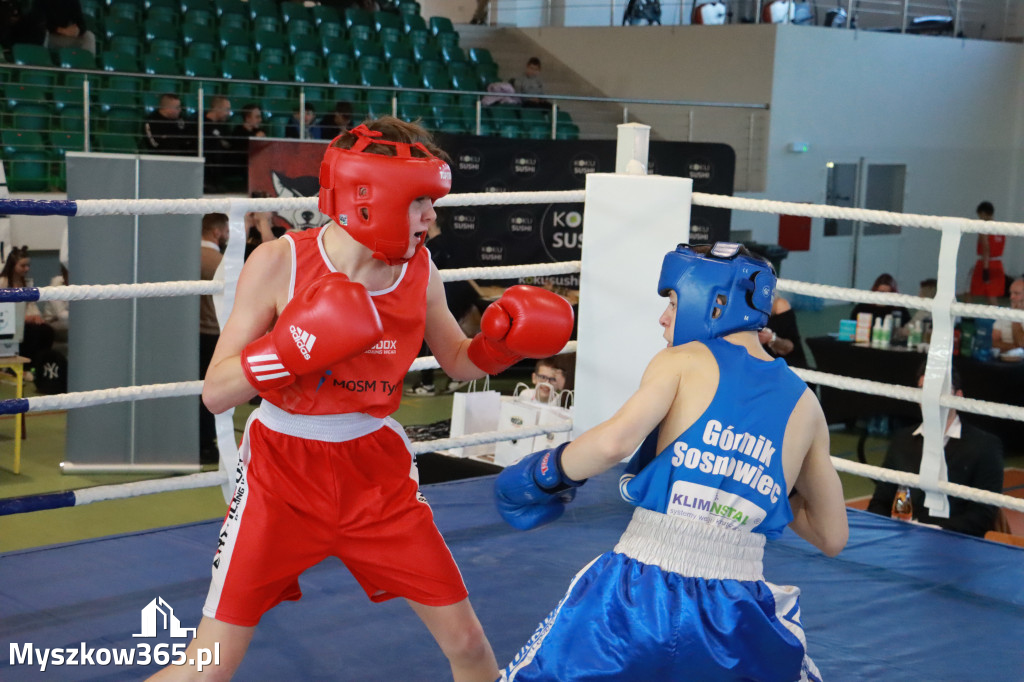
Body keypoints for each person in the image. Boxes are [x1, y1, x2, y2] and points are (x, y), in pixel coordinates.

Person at [149, 117, 574, 681]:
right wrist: (293, 347)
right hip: (281, 473)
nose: (432, 217)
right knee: (208, 667)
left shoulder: (418, 269)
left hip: (375, 475)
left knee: (469, 643)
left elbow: (456, 360)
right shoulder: (280, 262)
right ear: (370, 198)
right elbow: (216, 391)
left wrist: (502, 347)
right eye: (420, 200)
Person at [494, 242, 848, 681]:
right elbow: (833, 536)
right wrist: (755, 483)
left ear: (715, 302)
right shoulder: (805, 404)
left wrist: (541, 474)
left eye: (674, 302)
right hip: (739, 607)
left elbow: (613, 444)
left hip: (643, 588)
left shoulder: (681, 361)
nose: (663, 317)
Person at [866, 366, 1004, 538]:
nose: (930, 397)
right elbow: (880, 501)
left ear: (958, 397)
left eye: (939, 389)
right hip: (900, 541)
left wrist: (931, 531)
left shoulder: (985, 446)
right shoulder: (901, 440)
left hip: (955, 545)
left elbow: (982, 515)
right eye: (923, 390)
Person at [405, 216, 485, 396]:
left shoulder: (434, 247)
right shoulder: (448, 243)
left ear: (432, 223)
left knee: (431, 335)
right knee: (448, 336)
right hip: (460, 294)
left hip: (452, 295)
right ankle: (457, 377)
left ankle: (428, 385)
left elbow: (420, 272)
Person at [199, 212, 229, 465]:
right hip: (211, 332)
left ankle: (202, 442)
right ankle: (207, 445)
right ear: (217, 232)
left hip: (187, 334)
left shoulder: (185, 257)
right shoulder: (218, 261)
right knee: (210, 392)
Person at [0, 247, 56, 377]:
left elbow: (31, 305)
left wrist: (37, 317)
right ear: (13, 265)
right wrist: (23, 318)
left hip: (22, 322)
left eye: (28, 266)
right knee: (32, 333)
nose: (27, 269)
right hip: (6, 324)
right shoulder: (3, 282)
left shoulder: (25, 283)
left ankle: (37, 366)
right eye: (23, 266)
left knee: (47, 331)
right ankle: (19, 367)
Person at [19, 0, 96, 53]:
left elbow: (81, 23)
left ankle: (87, 68)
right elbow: (38, 22)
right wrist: (60, 30)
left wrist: (77, 30)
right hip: (49, 36)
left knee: (89, 36)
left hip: (64, 37)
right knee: (43, 33)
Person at [968, 202, 1004, 306]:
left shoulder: (984, 228)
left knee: (969, 291)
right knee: (991, 294)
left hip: (985, 263)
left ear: (983, 213)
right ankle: (996, 319)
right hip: (998, 264)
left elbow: (986, 248)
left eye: (979, 215)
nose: (979, 218)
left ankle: (966, 316)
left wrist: (985, 269)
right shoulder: (1002, 227)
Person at [757, 294, 807, 369]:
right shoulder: (737, 305)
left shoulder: (778, 306)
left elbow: (791, 347)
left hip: (785, 368)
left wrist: (771, 338)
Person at [202, 95, 234, 193]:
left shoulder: (224, 127)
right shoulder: (201, 125)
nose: (228, 113)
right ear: (217, 108)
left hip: (220, 174)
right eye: (226, 109)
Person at [990, 276, 1023, 353]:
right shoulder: (1005, 313)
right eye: (1010, 293)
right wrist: (1015, 347)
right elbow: (993, 342)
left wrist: (1015, 317)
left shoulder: (1011, 313)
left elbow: (1021, 342)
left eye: (1016, 293)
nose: (1011, 297)